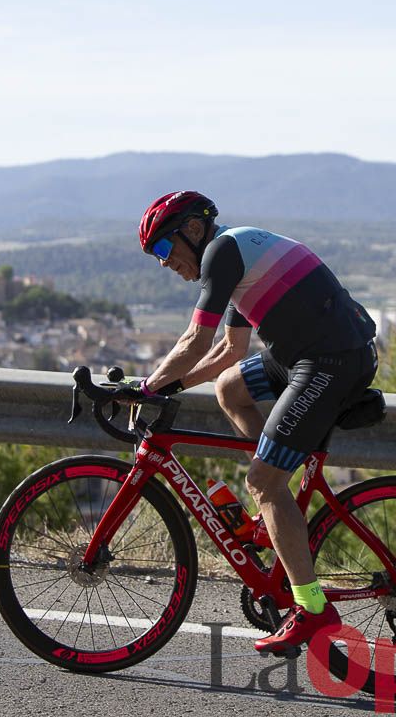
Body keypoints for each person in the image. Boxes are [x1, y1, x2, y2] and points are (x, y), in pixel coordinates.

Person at [132, 190, 378, 655]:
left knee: (263, 481)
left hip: (330, 361)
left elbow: (195, 339)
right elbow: (228, 352)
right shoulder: (234, 254)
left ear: (192, 230)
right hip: (307, 355)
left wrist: (147, 387)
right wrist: (172, 387)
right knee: (230, 388)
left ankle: (311, 607)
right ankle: (276, 506)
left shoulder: (223, 252)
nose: (163, 264)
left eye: (163, 249)